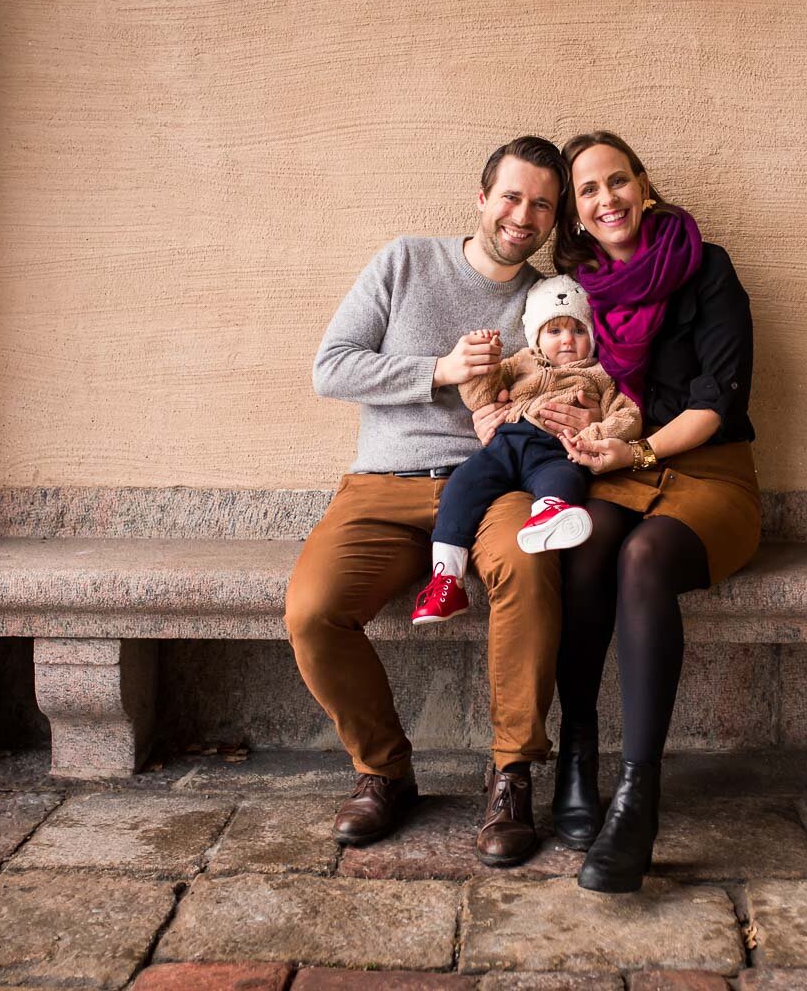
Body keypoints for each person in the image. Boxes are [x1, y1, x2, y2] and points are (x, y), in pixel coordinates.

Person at [285, 135, 577, 868]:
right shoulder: (405, 261)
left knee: (528, 561)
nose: (524, 215)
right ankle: (383, 770)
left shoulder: (547, 301)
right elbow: (331, 368)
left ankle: (511, 774)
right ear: (482, 200)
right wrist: (440, 371)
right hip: (384, 483)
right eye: (512, 197)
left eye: (542, 204)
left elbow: (576, 379)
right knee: (313, 610)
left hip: (493, 485)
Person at [549, 131, 761, 892]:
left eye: (618, 181)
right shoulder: (582, 288)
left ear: (643, 183)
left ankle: (638, 802)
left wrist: (636, 455)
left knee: (643, 559)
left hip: (708, 473)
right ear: (576, 214)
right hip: (620, 467)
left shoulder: (705, 264)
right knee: (584, 543)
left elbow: (718, 397)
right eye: (589, 192)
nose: (607, 200)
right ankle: (576, 759)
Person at [411, 275, 643, 626]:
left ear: (592, 338)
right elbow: (480, 398)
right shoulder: (521, 362)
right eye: (555, 331)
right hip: (506, 445)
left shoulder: (600, 374)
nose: (567, 339)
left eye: (578, 331)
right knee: (462, 484)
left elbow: (628, 416)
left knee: (564, 477)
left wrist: (595, 433)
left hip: (557, 447)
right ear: (535, 336)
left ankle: (550, 515)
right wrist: (484, 366)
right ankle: (447, 579)